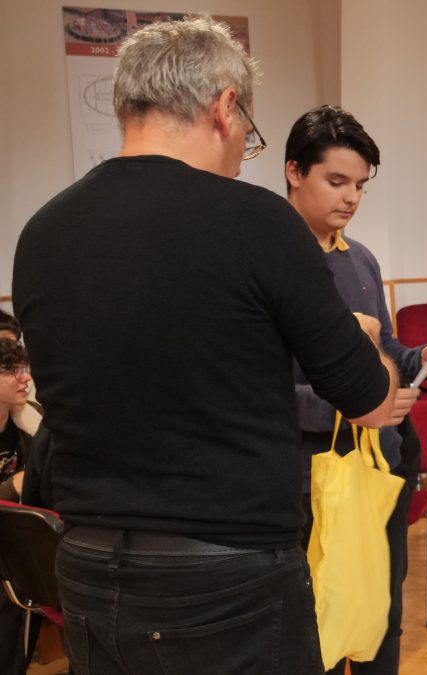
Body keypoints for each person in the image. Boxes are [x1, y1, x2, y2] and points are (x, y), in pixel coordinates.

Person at [12, 17, 400, 675]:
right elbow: (370, 400)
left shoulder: (42, 232)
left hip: (86, 565)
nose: (243, 147)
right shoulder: (257, 221)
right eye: (248, 130)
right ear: (225, 107)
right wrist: (365, 339)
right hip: (226, 576)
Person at [284, 105, 427, 675]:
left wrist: (420, 358)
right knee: (316, 625)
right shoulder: (270, 262)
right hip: (309, 475)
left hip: (380, 466)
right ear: (294, 172)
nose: (352, 198)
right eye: (337, 181)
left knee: (381, 616)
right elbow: (266, 390)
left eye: (360, 185)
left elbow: (384, 349)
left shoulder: (360, 258)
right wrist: (357, 408)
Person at [0, 339, 42, 675]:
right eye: (10, 370)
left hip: (18, 556)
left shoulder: (29, 425)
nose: (24, 378)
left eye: (24, 368)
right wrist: (13, 486)